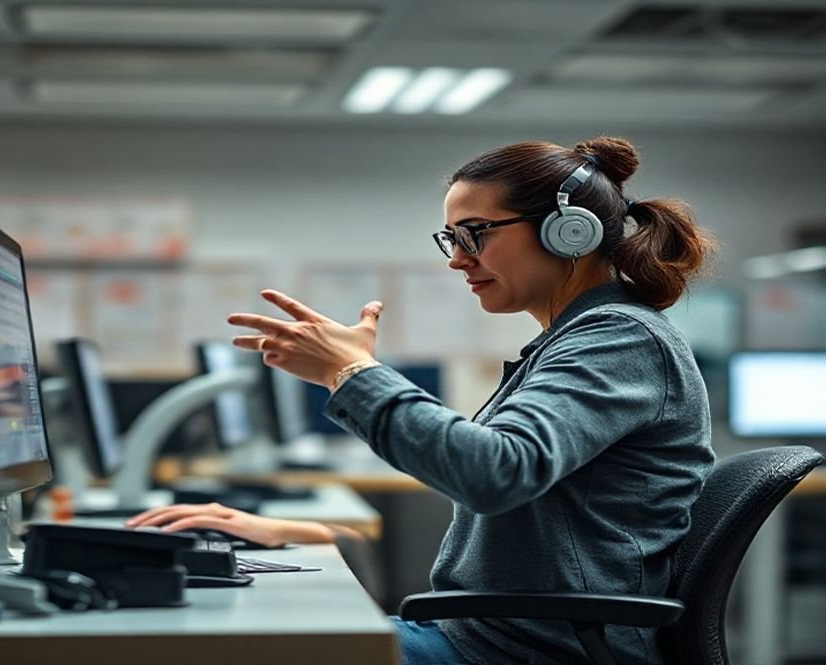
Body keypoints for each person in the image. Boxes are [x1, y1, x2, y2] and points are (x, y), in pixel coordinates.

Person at [128, 136, 717, 665]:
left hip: (526, 653)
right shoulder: (576, 341)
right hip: (490, 639)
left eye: (475, 234)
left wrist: (351, 371)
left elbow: (494, 470)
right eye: (450, 239)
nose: (458, 259)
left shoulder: (620, 339)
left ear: (570, 230)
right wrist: (313, 533)